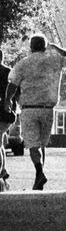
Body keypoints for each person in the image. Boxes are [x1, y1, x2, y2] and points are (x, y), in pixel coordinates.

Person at [7, 32, 66, 190]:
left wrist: (7, 100)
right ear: (45, 46)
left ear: (30, 47)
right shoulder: (54, 60)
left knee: (33, 145)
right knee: (41, 144)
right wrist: (56, 47)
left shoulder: (23, 63)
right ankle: (40, 175)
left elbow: (13, 84)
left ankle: (39, 172)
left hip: (29, 109)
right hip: (47, 109)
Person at [0, 47, 17, 190]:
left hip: (1, 112)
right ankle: (3, 171)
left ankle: (1, 173)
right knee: (0, 142)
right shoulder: (10, 72)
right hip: (8, 114)